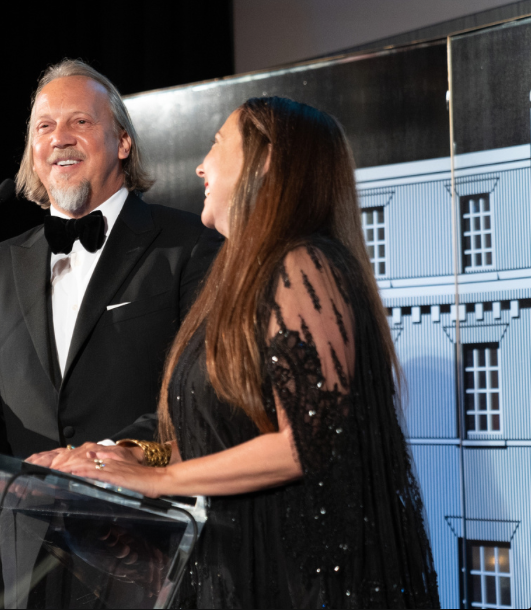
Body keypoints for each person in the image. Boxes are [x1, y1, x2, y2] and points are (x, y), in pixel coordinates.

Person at [48, 97, 441, 608]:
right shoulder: (233, 283)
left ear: (267, 158)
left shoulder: (305, 264)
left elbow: (307, 443)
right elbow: (221, 437)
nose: (200, 165)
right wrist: (111, 459)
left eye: (216, 145)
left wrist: (156, 479)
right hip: (233, 570)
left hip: (299, 580)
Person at [0, 59, 221, 463]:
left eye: (80, 122)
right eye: (44, 127)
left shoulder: (189, 245)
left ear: (122, 142)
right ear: (32, 152)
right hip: (24, 518)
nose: (59, 139)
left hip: (140, 512)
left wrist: (114, 456)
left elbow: (205, 387)